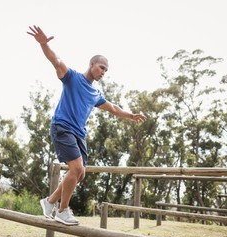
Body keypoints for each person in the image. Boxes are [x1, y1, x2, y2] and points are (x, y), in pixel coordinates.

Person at [27, 25, 147, 225]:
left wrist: (131, 115)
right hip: (62, 127)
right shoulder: (72, 78)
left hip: (78, 134)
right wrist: (44, 45)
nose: (103, 72)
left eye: (106, 70)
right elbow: (56, 61)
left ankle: (49, 202)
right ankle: (62, 210)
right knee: (76, 169)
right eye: (101, 67)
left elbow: (114, 108)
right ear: (91, 64)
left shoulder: (95, 94)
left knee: (80, 173)